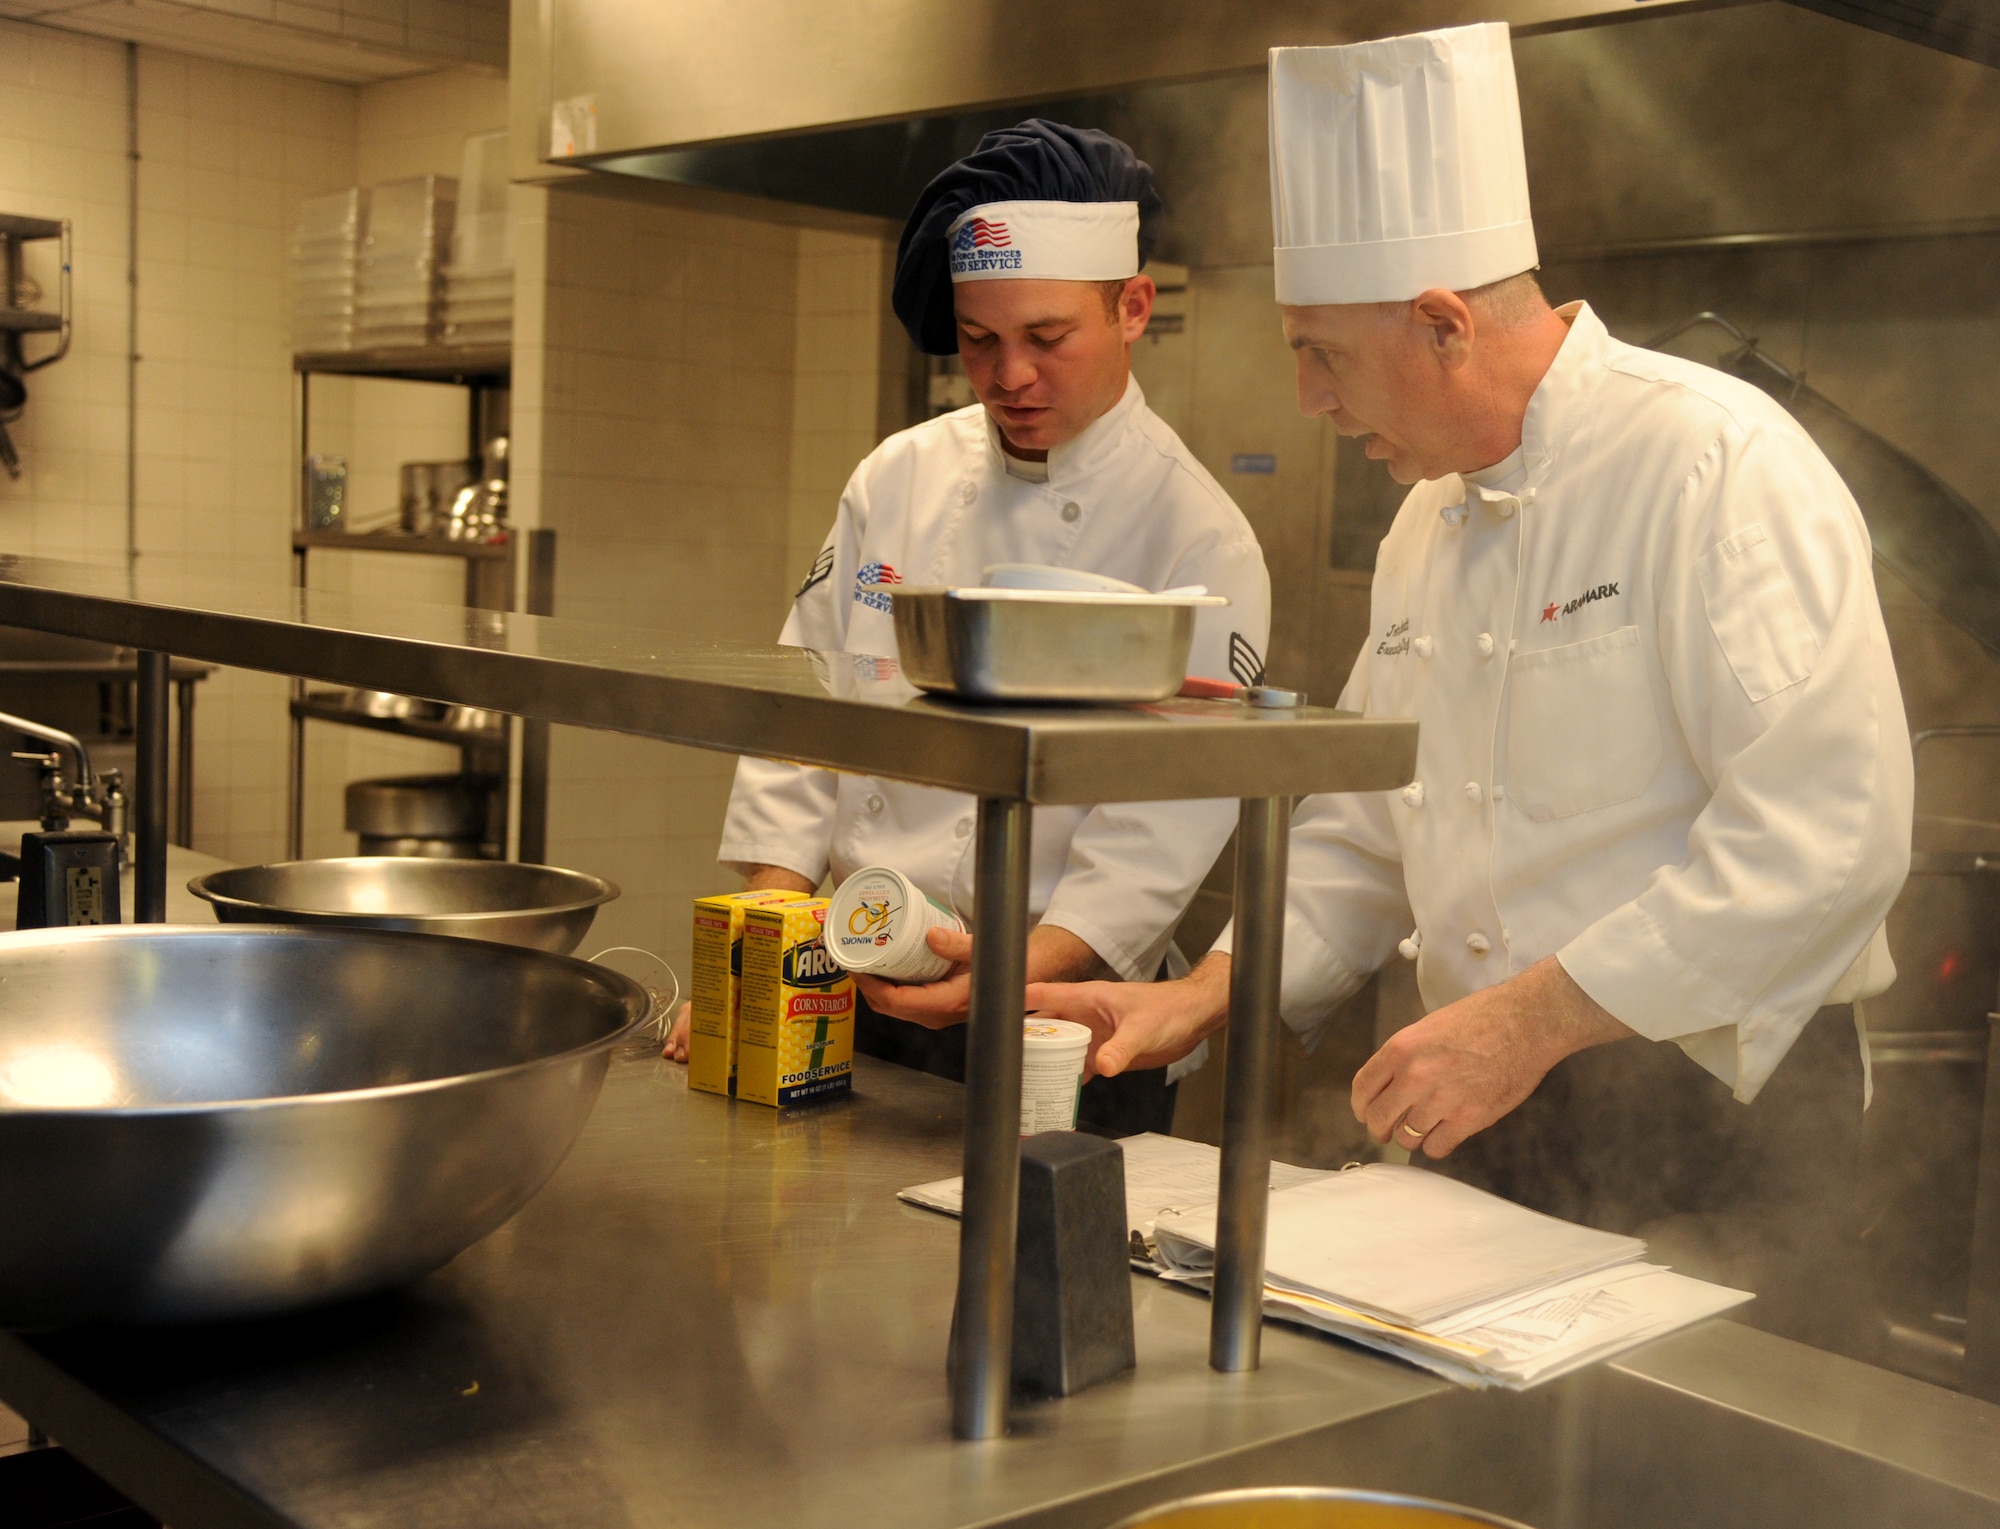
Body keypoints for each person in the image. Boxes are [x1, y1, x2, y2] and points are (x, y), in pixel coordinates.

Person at [1027, 24, 1912, 1345]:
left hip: (1707, 1121)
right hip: (1497, 1118)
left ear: (1441, 323)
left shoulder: (1713, 465)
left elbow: (1830, 836)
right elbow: (1369, 829)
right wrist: (1205, 992)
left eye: (1322, 352)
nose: (1309, 399)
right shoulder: (1423, 525)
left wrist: (1533, 1020)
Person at [665, 120, 1272, 1135]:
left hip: (1062, 1015)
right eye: (979, 340)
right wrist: (768, 950)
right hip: (854, 975)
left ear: (1130, 308)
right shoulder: (895, 478)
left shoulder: (1200, 538)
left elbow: (1157, 832)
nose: (1008, 377)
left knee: (1031, 1277)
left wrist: (993, 976)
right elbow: (805, 710)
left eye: (1045, 338)